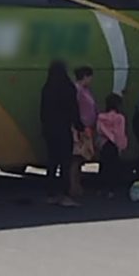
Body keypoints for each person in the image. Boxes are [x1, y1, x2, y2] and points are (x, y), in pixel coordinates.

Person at [40, 61, 84, 207]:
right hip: (64, 130)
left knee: (52, 163)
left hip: (49, 130)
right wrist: (79, 126)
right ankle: (64, 195)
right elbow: (73, 109)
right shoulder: (68, 88)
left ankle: (50, 194)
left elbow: (43, 112)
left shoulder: (47, 88)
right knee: (65, 163)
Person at [70, 65, 97, 197]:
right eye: (90, 77)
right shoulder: (77, 90)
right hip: (79, 128)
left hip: (86, 128)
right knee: (76, 157)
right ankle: (73, 185)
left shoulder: (84, 90)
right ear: (85, 76)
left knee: (81, 157)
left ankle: (77, 184)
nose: (91, 80)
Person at [96, 93, 128, 198]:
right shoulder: (120, 118)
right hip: (114, 146)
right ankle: (111, 190)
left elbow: (99, 130)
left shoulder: (101, 117)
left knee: (104, 166)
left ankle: (101, 188)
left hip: (104, 144)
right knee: (113, 168)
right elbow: (120, 133)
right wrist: (121, 146)